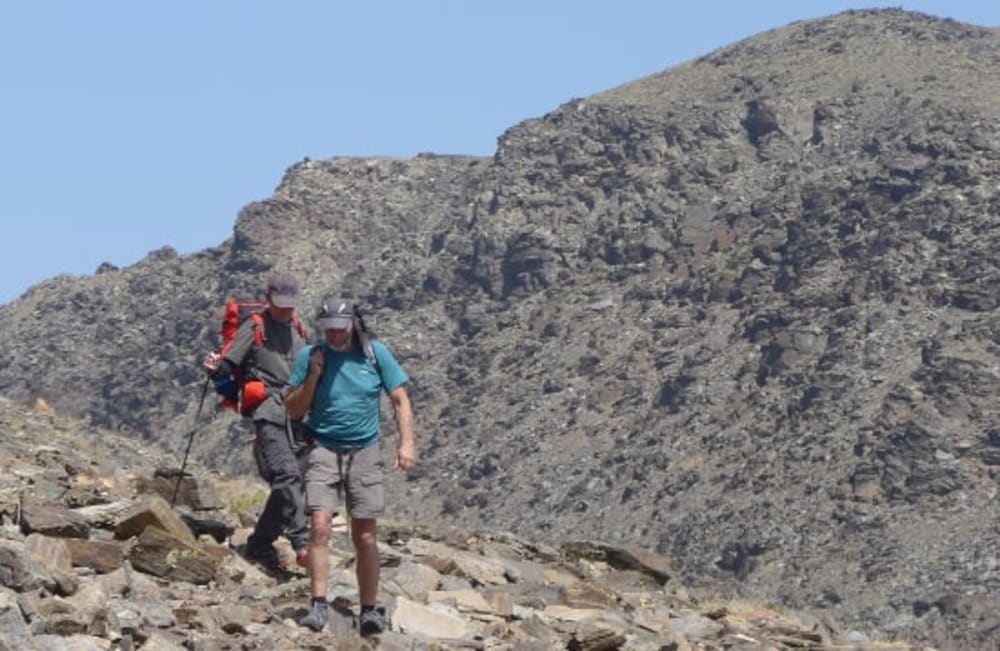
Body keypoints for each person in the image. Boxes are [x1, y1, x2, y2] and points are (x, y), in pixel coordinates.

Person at [285, 296, 415, 636]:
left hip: (364, 452)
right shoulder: (311, 356)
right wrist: (313, 376)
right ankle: (318, 604)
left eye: (339, 329)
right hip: (323, 448)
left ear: (352, 325)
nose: (334, 335)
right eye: (328, 329)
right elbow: (293, 410)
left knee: (366, 534)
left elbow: (400, 399)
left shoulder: (375, 354)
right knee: (319, 526)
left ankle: (369, 609)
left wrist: (406, 442)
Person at [203, 272, 310, 571]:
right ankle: (302, 544)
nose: (285, 310)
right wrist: (215, 368)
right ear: (268, 298)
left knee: (291, 485)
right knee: (287, 477)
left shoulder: (301, 329)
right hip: (269, 413)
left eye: (290, 304)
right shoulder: (256, 325)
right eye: (280, 303)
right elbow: (230, 362)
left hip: (300, 417)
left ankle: (260, 545)